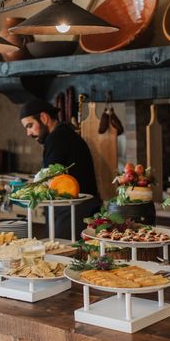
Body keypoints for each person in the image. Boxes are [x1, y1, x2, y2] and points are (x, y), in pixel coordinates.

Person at [20, 99, 101, 238]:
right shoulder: (63, 134)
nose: (28, 133)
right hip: (79, 208)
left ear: (44, 118)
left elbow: (48, 178)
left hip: (73, 210)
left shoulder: (57, 138)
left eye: (30, 125)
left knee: (62, 255)